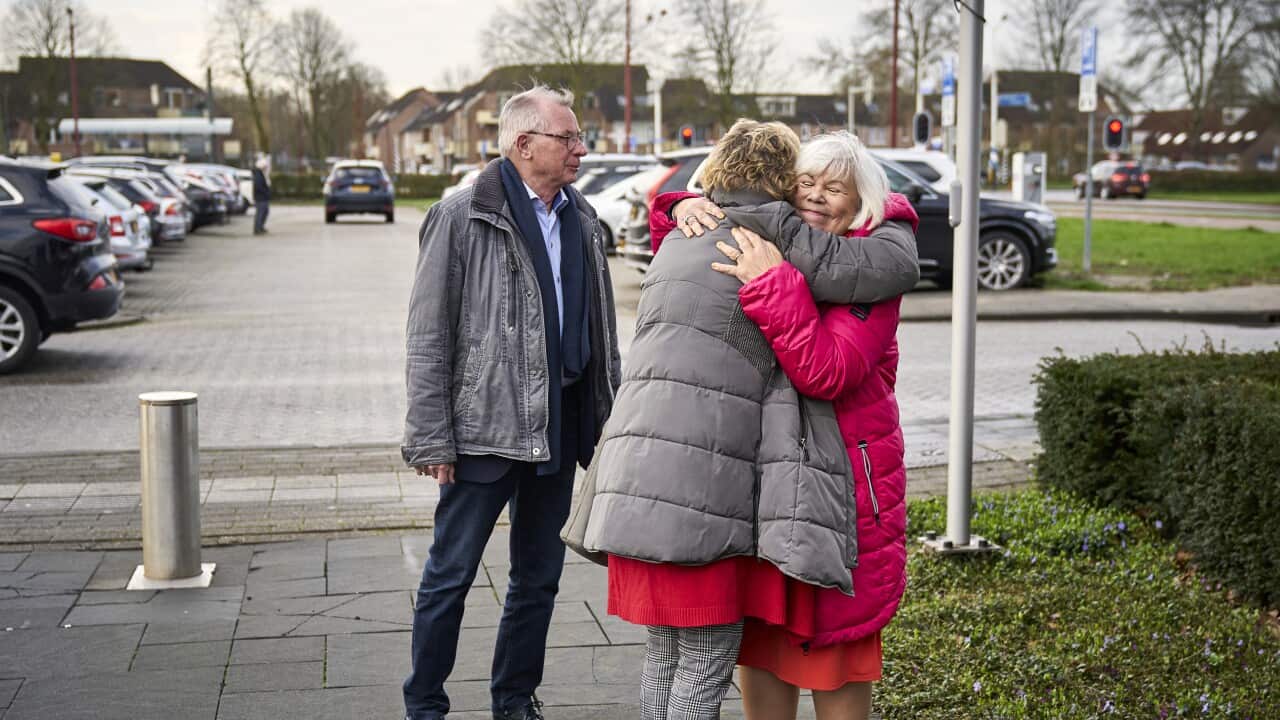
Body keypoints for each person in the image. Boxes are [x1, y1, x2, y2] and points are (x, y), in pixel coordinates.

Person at [562, 120, 918, 720]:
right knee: (747, 666)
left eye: (835, 188)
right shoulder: (783, 248)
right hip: (768, 507)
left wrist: (771, 281)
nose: (814, 196)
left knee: (830, 667)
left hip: (841, 509)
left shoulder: (866, 273)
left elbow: (827, 371)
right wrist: (685, 205)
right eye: (804, 182)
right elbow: (706, 234)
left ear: (864, 203)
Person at [402, 85, 622, 720]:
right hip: (482, 432)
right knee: (450, 577)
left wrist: (609, 428)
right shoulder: (462, 214)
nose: (581, 148)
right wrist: (431, 436)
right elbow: (428, 333)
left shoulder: (581, 218)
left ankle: (515, 699)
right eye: (569, 137)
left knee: (538, 580)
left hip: (559, 426)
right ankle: (424, 705)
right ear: (524, 144)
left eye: (579, 138)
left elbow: (602, 334)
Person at [252, 153, 271, 235]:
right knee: (260, 213)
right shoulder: (258, 174)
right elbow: (259, 186)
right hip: (261, 197)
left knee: (264, 212)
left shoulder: (261, 174)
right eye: (265, 166)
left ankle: (260, 227)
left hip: (263, 197)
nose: (266, 167)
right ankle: (257, 229)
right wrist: (265, 192)